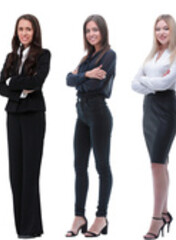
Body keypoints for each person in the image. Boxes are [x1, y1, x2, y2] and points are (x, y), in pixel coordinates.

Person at [63, 14, 116, 239]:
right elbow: (68, 79)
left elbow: (96, 84)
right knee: (79, 166)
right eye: (88, 31)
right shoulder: (87, 58)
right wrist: (85, 74)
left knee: (101, 166)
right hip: (81, 114)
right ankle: (79, 216)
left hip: (98, 114)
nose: (91, 34)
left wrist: (80, 79)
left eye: (95, 30)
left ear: (103, 31)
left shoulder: (109, 55)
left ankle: (101, 217)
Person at [0, 14, 50, 239]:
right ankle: (22, 229)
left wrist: (13, 82)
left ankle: (31, 229)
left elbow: (37, 82)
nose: (24, 33)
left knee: (30, 172)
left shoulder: (43, 54)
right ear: (16, 32)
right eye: (21, 29)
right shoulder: (11, 56)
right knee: (15, 172)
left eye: (28, 29)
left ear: (35, 31)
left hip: (33, 116)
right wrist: (19, 88)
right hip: (13, 116)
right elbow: (0, 86)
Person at [134, 14, 176, 240]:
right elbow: (134, 83)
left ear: (172, 32)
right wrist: (152, 83)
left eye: (166, 29)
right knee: (161, 163)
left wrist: (148, 82)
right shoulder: (151, 56)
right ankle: (164, 212)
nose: (162, 32)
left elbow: (166, 84)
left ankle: (155, 219)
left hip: (167, 110)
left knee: (156, 162)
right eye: (158, 29)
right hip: (149, 110)